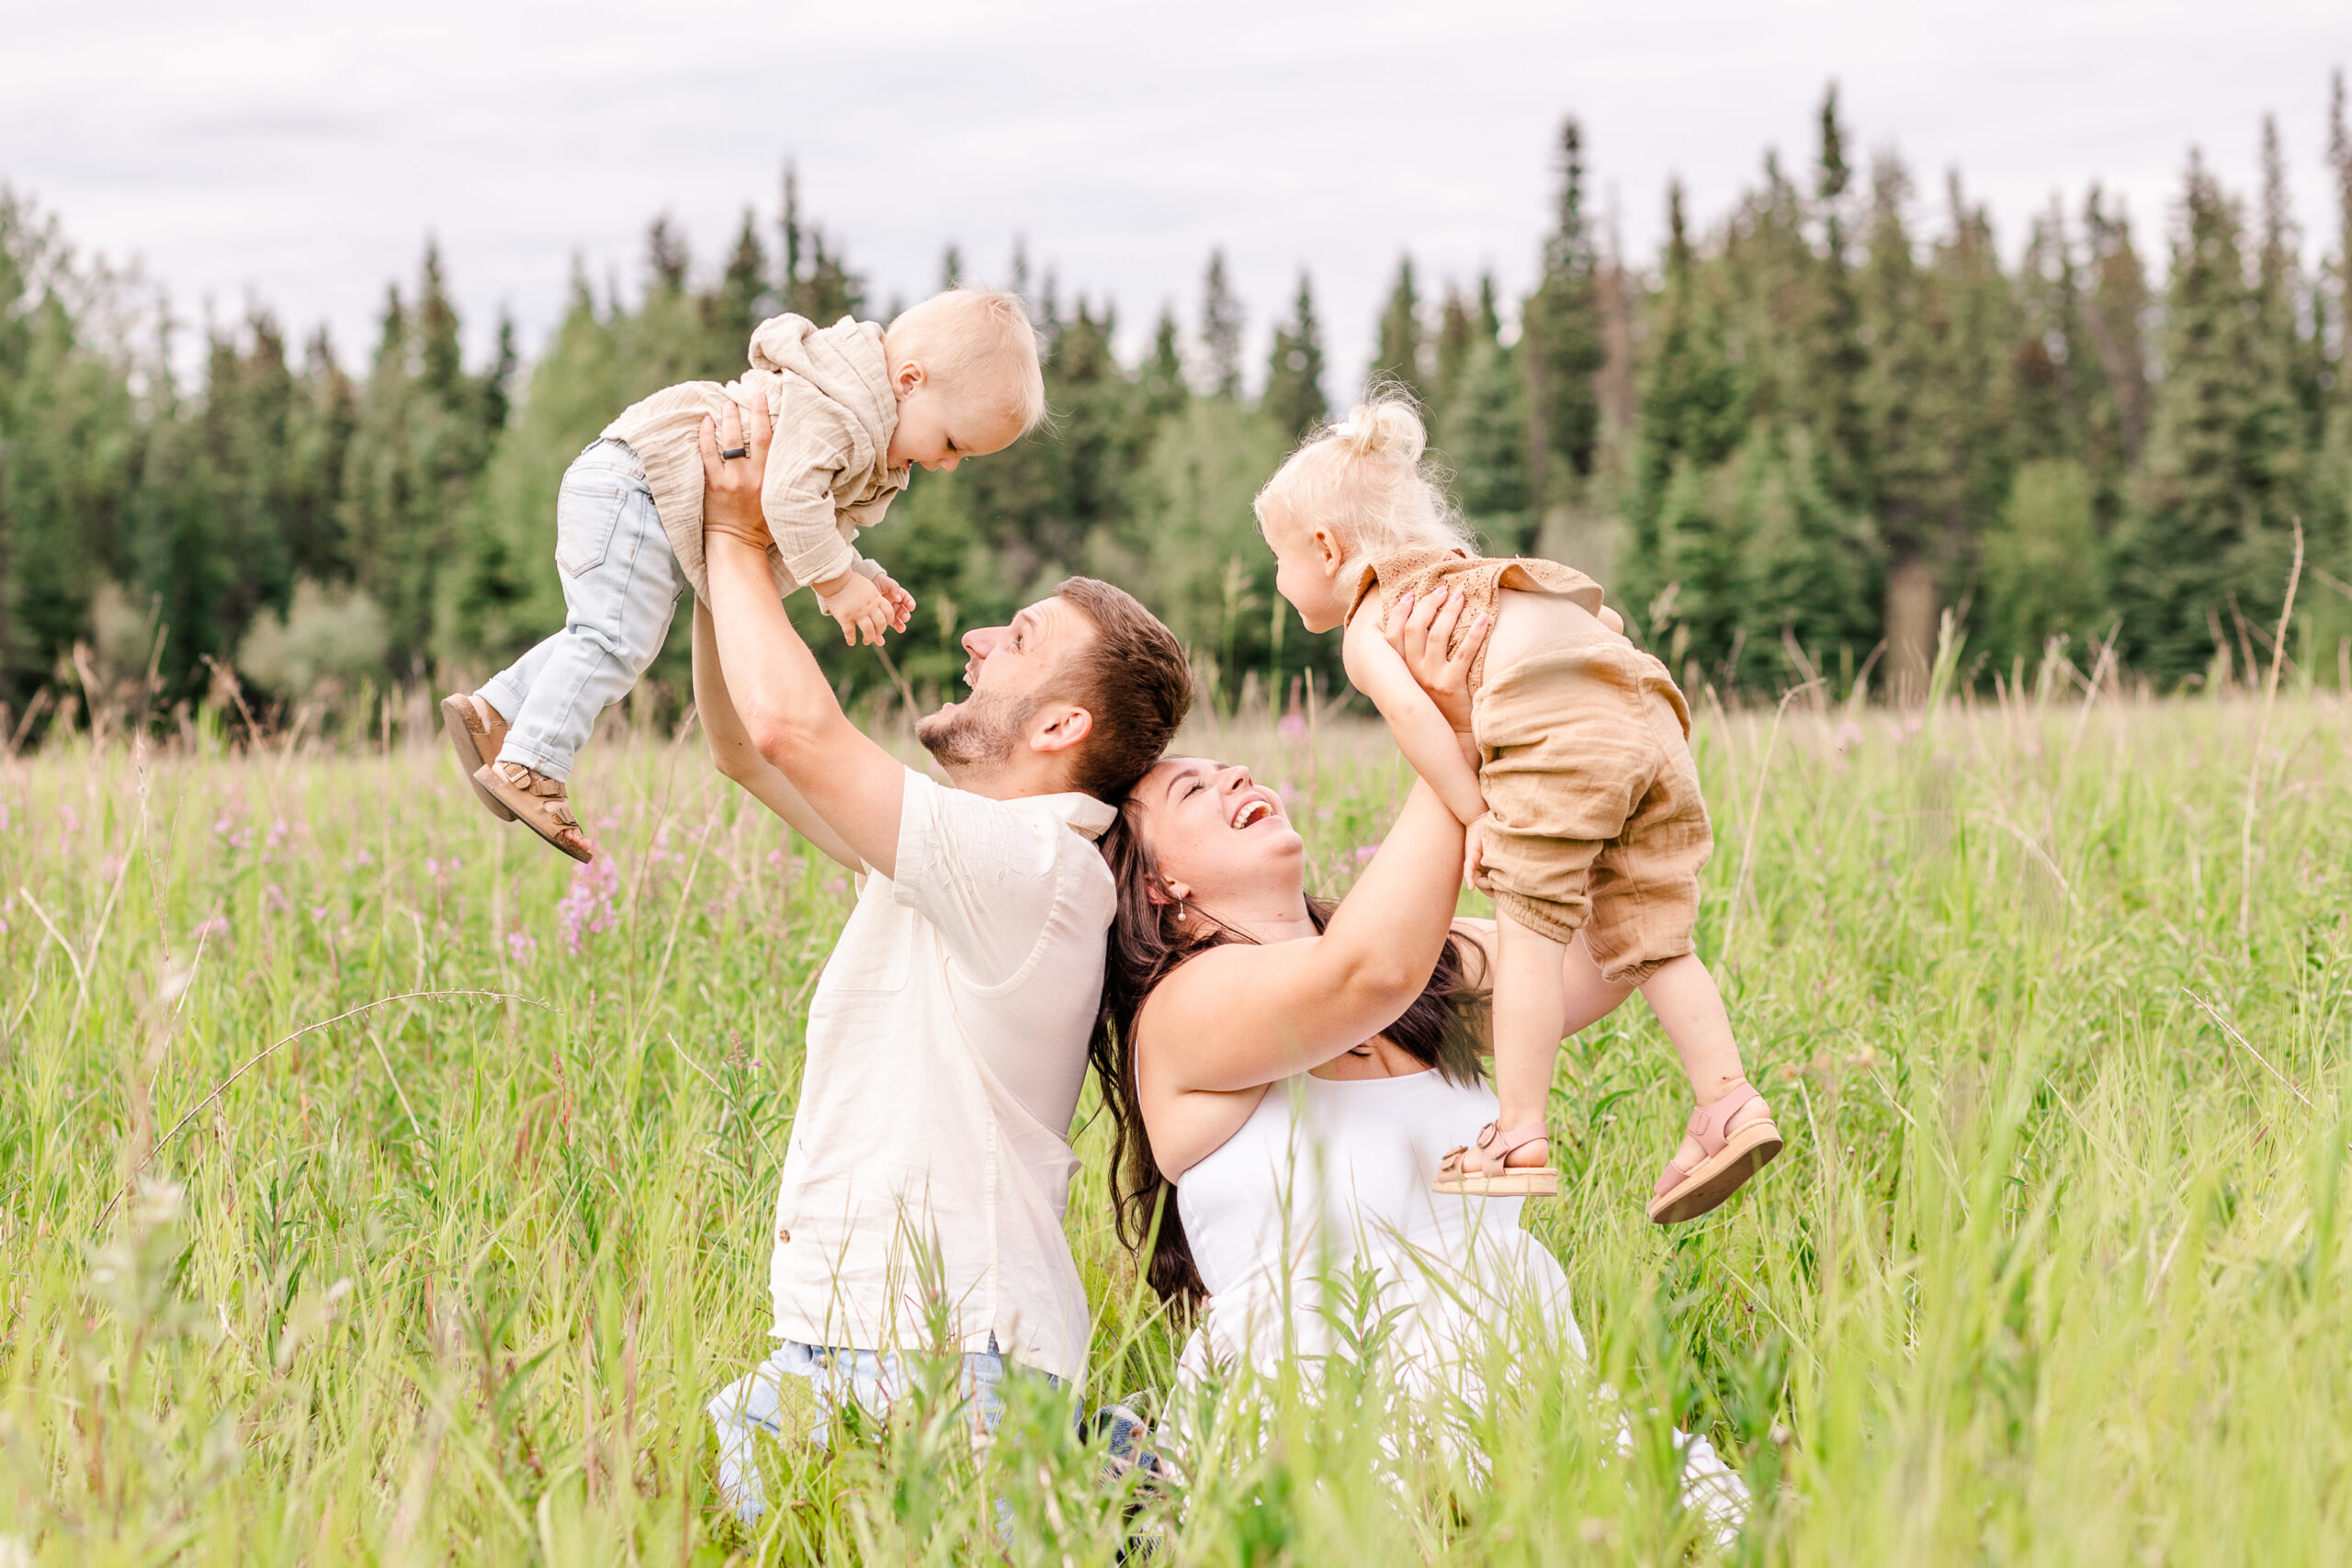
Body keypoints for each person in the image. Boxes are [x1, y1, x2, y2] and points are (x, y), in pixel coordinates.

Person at [1089, 588, 1747, 1539]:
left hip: (1528, 1409)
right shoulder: (1184, 1014)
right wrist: (1448, 725)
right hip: (1319, 1442)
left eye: (1230, 767)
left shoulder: (1437, 970)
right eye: (1193, 789)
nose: (1233, 776)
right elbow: (1362, 971)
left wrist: (1569, 707)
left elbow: (1614, 947)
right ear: (1161, 884)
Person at [687, 400, 1193, 1523]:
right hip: (834, 1346)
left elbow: (791, 732)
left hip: (954, 1354)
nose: (975, 642)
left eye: (1016, 640)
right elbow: (741, 747)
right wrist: (728, 549)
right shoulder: (958, 860)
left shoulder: (1032, 867)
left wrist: (737, 536)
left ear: (1061, 728)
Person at [1253, 393, 1779, 1224]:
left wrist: (1476, 815)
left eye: (1275, 559)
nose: (1276, 579)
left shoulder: (1371, 622)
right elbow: (1597, 617)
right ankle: (1728, 1099)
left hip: (1561, 731)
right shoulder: (1464, 573)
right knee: (1647, 932)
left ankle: (1519, 1132)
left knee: (1530, 930)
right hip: (1646, 704)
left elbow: (1422, 723)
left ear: (1325, 547)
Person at [437, 289, 1044, 862]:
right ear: (909, 382)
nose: (947, 465)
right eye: (951, 442)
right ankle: (532, 764)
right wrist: (836, 582)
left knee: (609, 634)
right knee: (615, 639)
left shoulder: (857, 423)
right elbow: (787, 500)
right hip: (636, 486)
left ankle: (494, 711)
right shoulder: (839, 410)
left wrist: (860, 571)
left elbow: (806, 514)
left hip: (632, 489)